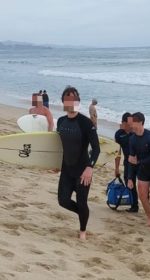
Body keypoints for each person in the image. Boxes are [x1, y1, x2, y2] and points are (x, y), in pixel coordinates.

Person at [57, 86, 100, 240]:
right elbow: (59, 146)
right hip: (67, 169)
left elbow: (96, 149)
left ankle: (83, 231)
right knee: (63, 201)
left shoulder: (86, 123)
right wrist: (55, 165)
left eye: (73, 99)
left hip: (83, 171)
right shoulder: (61, 122)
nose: (70, 102)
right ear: (63, 101)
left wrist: (90, 168)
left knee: (82, 202)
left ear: (78, 101)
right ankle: (83, 212)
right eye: (67, 99)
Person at [114, 112, 139, 212]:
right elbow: (117, 152)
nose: (130, 125)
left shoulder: (137, 132)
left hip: (141, 163)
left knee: (143, 185)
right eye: (128, 124)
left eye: (131, 123)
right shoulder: (119, 134)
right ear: (123, 123)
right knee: (129, 183)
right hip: (128, 163)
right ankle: (134, 205)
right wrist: (116, 168)